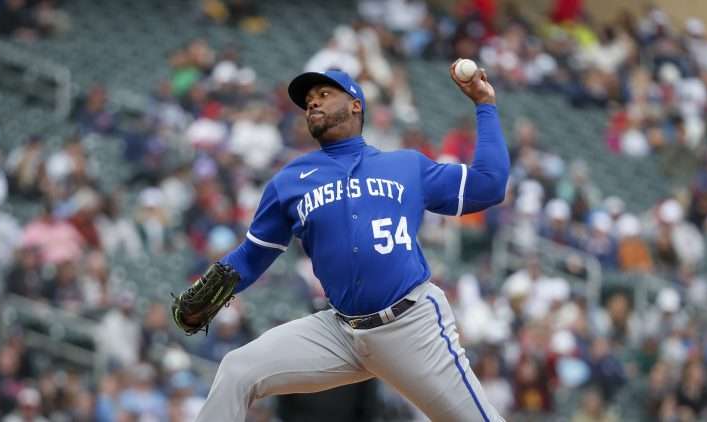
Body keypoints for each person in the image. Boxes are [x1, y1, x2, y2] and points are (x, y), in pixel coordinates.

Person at [186, 62, 510, 421]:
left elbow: (490, 184)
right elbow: (251, 257)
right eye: (308, 100)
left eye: (324, 94)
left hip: (411, 326)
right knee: (237, 370)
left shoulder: (406, 166)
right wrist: (207, 289)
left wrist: (485, 104)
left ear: (356, 104)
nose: (312, 103)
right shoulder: (290, 181)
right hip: (340, 333)